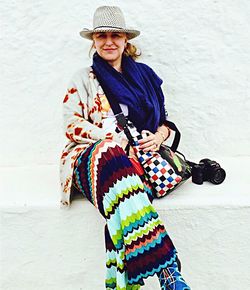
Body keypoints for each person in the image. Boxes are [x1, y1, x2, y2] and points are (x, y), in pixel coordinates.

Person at [60, 5, 191, 290]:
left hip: (133, 163)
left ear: (125, 40)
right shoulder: (84, 78)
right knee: (111, 154)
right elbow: (71, 125)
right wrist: (108, 137)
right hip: (92, 158)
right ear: (93, 41)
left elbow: (165, 121)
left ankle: (123, 283)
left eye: (115, 35)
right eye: (101, 36)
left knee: (125, 203)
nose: (108, 42)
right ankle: (169, 269)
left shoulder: (144, 76)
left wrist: (158, 136)